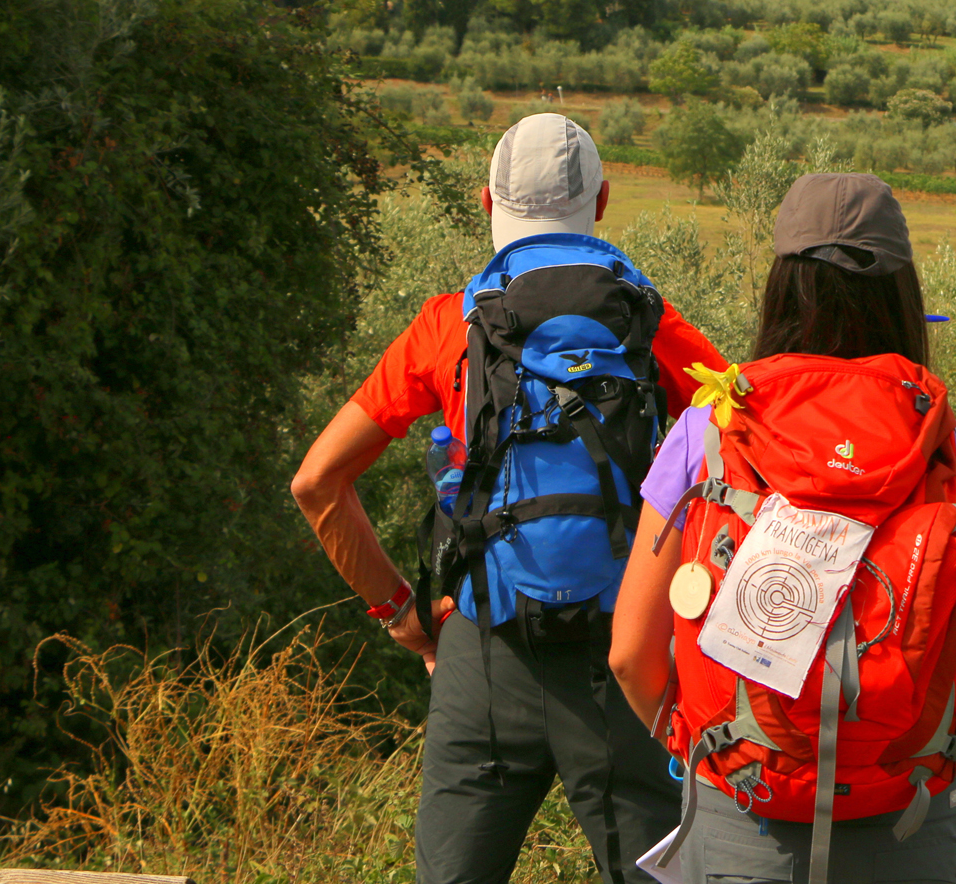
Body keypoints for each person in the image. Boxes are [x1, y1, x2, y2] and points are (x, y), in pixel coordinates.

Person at [291, 113, 725, 884]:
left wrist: (402, 614)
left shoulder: (446, 329)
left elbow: (317, 481)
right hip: (622, 659)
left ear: (487, 202)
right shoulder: (653, 332)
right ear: (601, 203)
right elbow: (758, 462)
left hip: (484, 654)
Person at [609, 172, 956, 884]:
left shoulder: (710, 428)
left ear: (781, 287)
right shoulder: (947, 446)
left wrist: (705, 748)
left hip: (744, 829)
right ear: (904, 296)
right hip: (912, 828)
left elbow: (631, 655)